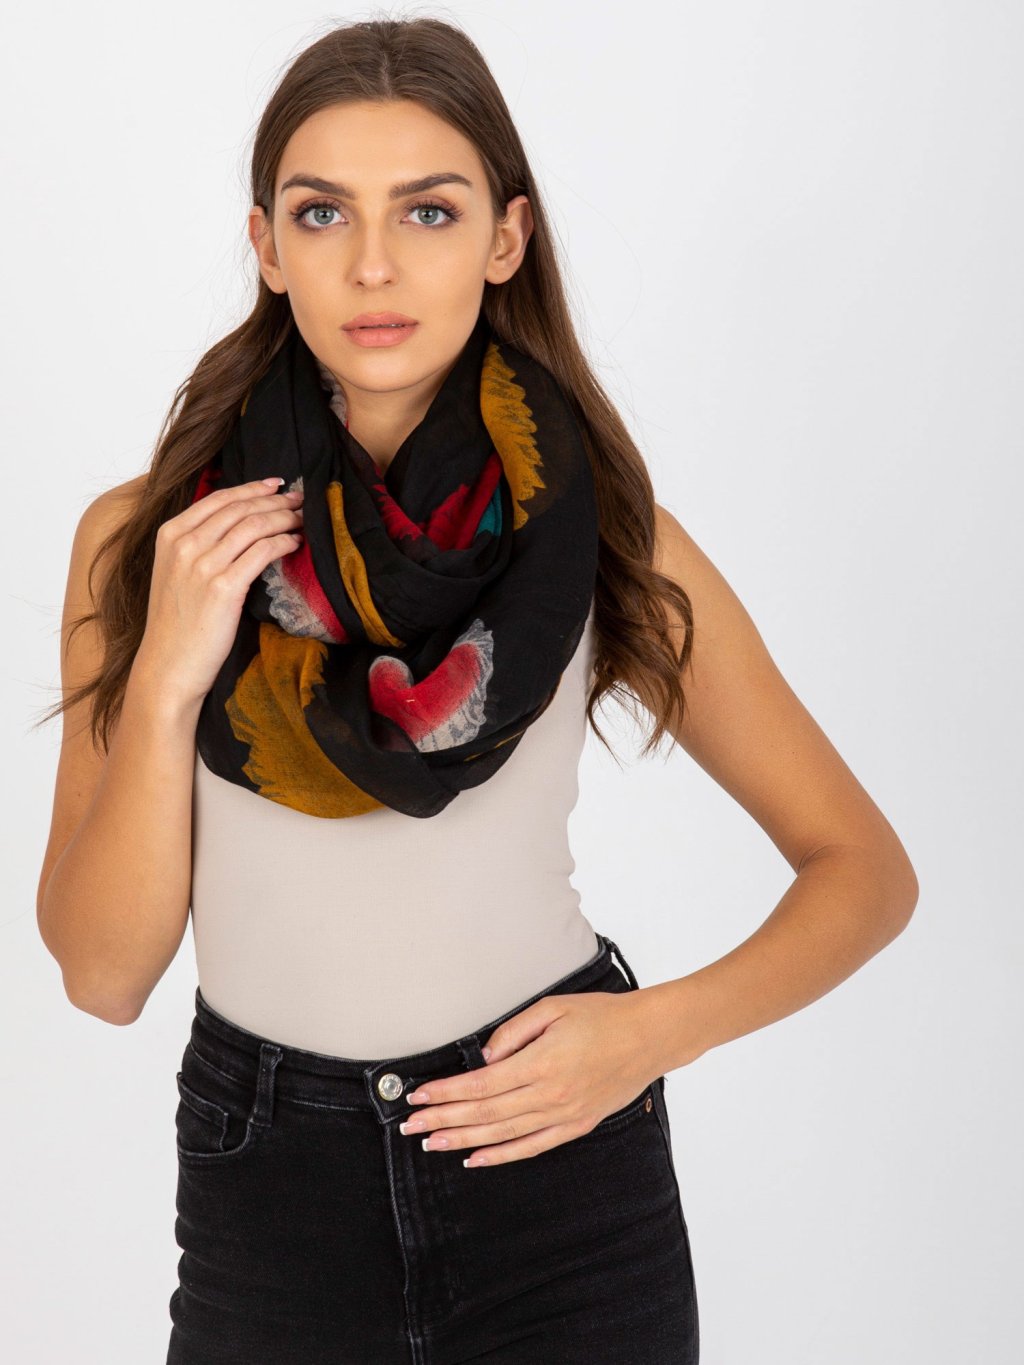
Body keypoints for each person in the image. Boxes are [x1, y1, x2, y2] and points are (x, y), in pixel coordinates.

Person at [34, 17, 918, 1365]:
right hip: (269, 1190)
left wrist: (648, 1034)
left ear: (505, 238)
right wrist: (166, 680)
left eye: (429, 211)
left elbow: (863, 869)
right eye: (322, 212)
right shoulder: (148, 540)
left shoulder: (601, 536)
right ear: (266, 245)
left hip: (555, 1170)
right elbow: (103, 977)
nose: (373, 263)